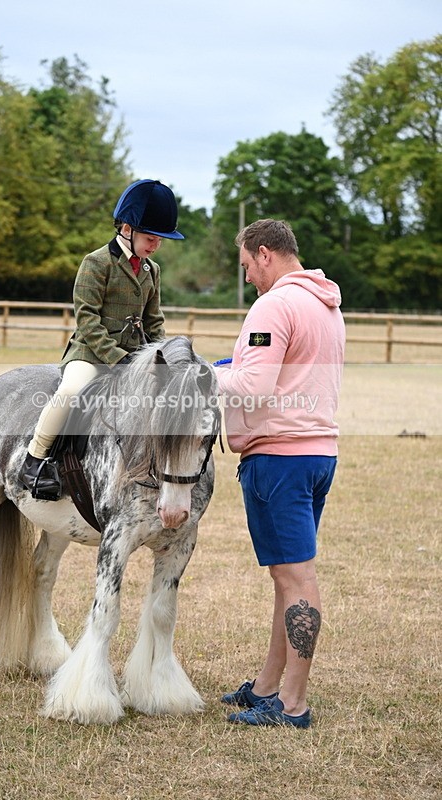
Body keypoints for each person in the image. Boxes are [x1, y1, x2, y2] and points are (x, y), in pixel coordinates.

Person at [215, 218, 345, 728]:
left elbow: (253, 386)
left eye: (247, 265)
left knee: (297, 579)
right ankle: (268, 686)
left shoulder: (273, 305)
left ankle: (292, 704)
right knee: (286, 577)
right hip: (316, 454)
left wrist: (205, 373)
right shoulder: (326, 304)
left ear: (264, 253)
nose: (247, 277)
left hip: (280, 459)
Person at [20, 179, 184, 499]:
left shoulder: (152, 270)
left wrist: (161, 356)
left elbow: (154, 320)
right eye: (151, 238)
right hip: (91, 353)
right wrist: (118, 358)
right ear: (127, 228)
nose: (155, 246)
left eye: (159, 241)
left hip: (134, 356)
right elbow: (88, 321)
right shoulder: (96, 262)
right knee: (71, 390)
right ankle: (35, 459)